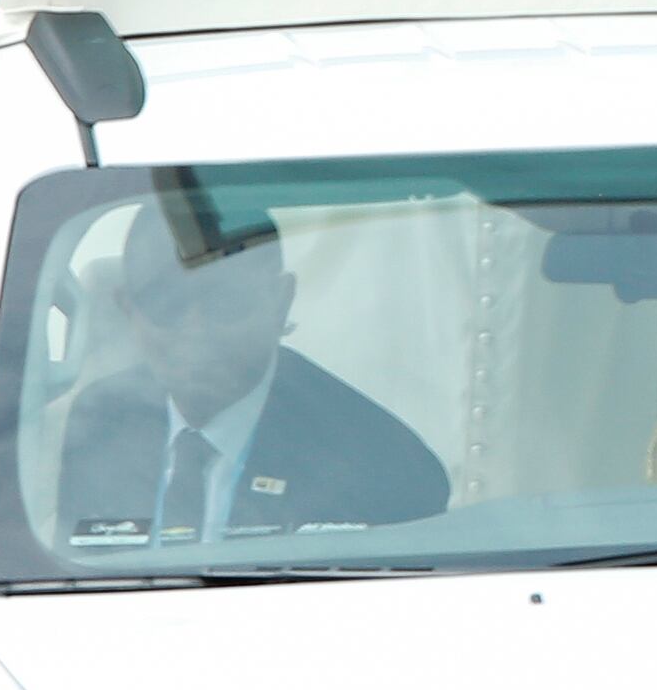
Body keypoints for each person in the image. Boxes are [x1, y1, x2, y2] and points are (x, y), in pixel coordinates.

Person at [49, 208, 449, 547]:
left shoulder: (381, 466)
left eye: (224, 301)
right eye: (166, 304)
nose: (196, 330)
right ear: (128, 310)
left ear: (280, 302)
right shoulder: (101, 423)